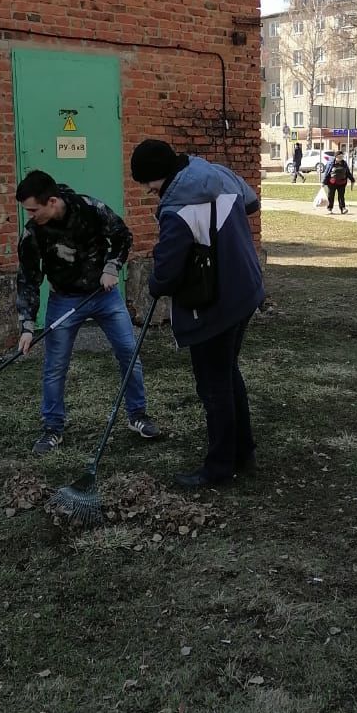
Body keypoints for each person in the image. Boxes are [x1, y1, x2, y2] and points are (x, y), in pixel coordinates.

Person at [130, 139, 265, 489]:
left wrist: (156, 285)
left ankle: (219, 467)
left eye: (148, 183)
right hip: (245, 287)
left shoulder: (178, 210)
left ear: (159, 175)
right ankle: (243, 452)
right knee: (227, 373)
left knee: (213, 386)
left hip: (216, 303)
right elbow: (252, 203)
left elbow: (167, 273)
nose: (148, 190)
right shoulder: (216, 174)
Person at [15, 169, 161, 456]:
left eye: (33, 209)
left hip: (104, 297)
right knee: (55, 367)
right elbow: (28, 278)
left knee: (128, 353)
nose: (29, 215)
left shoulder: (90, 209)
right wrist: (28, 325)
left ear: (52, 201)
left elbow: (121, 235)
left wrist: (111, 268)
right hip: (64, 301)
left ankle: (138, 416)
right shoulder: (33, 233)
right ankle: (52, 429)